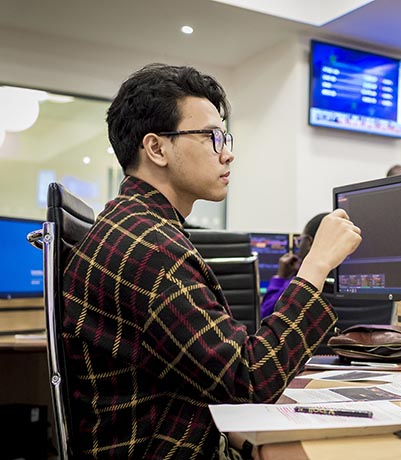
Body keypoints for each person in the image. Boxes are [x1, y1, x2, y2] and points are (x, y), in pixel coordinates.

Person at [60, 63, 362, 459]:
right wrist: (316, 265)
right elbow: (252, 381)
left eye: (226, 136)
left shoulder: (136, 226)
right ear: (156, 148)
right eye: (212, 137)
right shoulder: (151, 248)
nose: (228, 153)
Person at [261, 212, 329, 318]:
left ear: (309, 243)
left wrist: (280, 277)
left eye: (300, 240)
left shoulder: (305, 279)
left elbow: (267, 315)